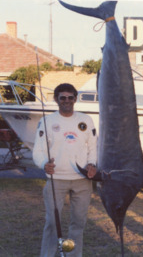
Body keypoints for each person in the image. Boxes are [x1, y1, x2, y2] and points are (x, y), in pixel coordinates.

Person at [33, 83, 97, 257]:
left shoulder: (86, 120)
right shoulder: (47, 121)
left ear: (75, 99)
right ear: (56, 99)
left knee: (78, 223)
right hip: (56, 180)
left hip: (82, 180)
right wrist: (44, 164)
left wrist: (92, 164)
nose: (67, 101)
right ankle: (48, 254)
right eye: (63, 98)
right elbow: (38, 151)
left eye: (70, 97)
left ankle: (73, 255)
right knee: (53, 223)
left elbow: (93, 147)